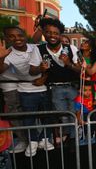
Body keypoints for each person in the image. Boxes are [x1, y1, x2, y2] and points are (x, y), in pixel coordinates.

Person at [1, 26, 53, 157]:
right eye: (12, 36)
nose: (17, 39)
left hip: (42, 88)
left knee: (47, 116)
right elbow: (1, 70)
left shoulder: (34, 48)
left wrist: (42, 72)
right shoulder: (8, 54)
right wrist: (1, 57)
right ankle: (32, 141)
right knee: (28, 118)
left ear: (25, 35)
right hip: (25, 90)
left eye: (19, 35)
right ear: (7, 39)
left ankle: (44, 139)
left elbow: (33, 70)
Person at [31, 18, 81, 143]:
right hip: (55, 89)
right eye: (48, 32)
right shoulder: (39, 49)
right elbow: (31, 71)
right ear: (44, 33)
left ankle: (74, 138)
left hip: (72, 87)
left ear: (60, 34)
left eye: (55, 33)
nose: (52, 35)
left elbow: (80, 70)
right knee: (63, 116)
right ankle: (69, 139)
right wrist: (40, 68)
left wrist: (68, 63)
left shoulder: (71, 48)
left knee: (74, 114)